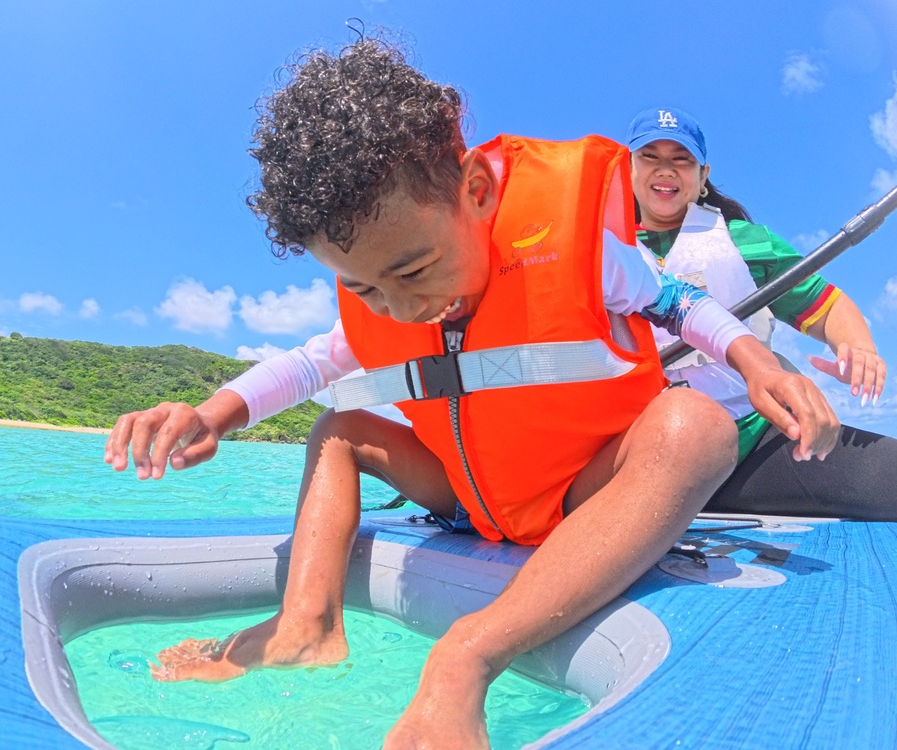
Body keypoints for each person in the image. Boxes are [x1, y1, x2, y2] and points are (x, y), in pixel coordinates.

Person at [104, 38, 838, 750]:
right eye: (366, 289)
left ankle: (470, 656)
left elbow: (678, 302)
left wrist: (757, 363)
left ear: (478, 193)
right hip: (465, 498)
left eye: (415, 271)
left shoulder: (580, 254)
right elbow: (305, 366)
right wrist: (213, 414)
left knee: (695, 426)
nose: (400, 308)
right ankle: (306, 625)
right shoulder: (386, 299)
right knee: (340, 429)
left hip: (578, 496)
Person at [626, 106, 897, 521]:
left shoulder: (748, 242)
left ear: (703, 175)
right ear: (628, 169)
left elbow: (827, 306)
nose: (665, 169)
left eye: (682, 159)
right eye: (650, 156)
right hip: (638, 458)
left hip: (750, 443)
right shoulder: (602, 249)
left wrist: (858, 348)